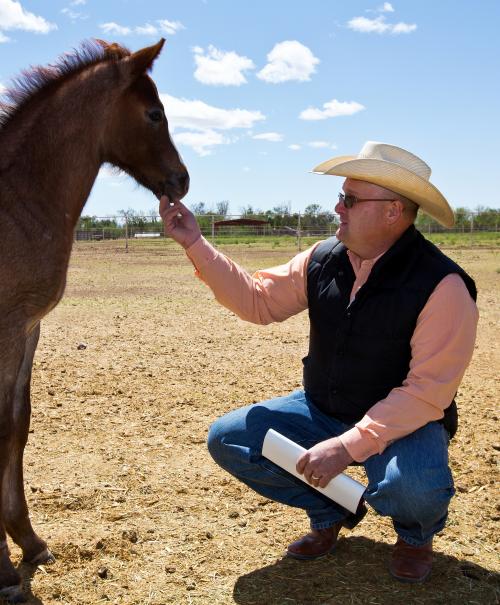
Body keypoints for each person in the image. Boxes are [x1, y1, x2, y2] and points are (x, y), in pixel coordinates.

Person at [159, 141, 478, 584]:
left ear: (392, 211)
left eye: (349, 199)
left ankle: (415, 535)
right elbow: (256, 300)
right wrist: (194, 242)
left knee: (415, 487)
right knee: (230, 439)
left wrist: (347, 447)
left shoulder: (444, 286)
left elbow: (428, 393)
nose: (337, 207)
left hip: (405, 424)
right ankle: (332, 506)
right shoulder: (322, 259)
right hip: (324, 409)